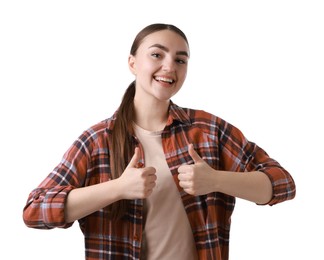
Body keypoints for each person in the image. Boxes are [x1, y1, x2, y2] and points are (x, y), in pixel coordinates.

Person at [23, 23, 296, 260]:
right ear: (132, 63)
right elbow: (35, 210)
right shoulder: (96, 141)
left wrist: (215, 180)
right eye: (157, 54)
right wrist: (118, 188)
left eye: (180, 60)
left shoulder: (208, 130)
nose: (169, 67)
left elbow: (282, 183)